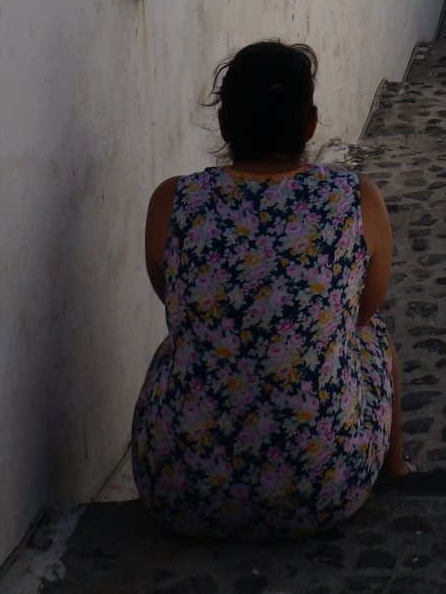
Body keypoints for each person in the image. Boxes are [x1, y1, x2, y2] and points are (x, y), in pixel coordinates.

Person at [131, 39, 410, 536]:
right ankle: (396, 471)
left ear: (223, 125)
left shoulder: (174, 201)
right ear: (310, 123)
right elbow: (362, 315)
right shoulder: (353, 197)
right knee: (376, 339)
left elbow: (174, 299)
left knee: (173, 347)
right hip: (324, 487)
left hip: (181, 492)